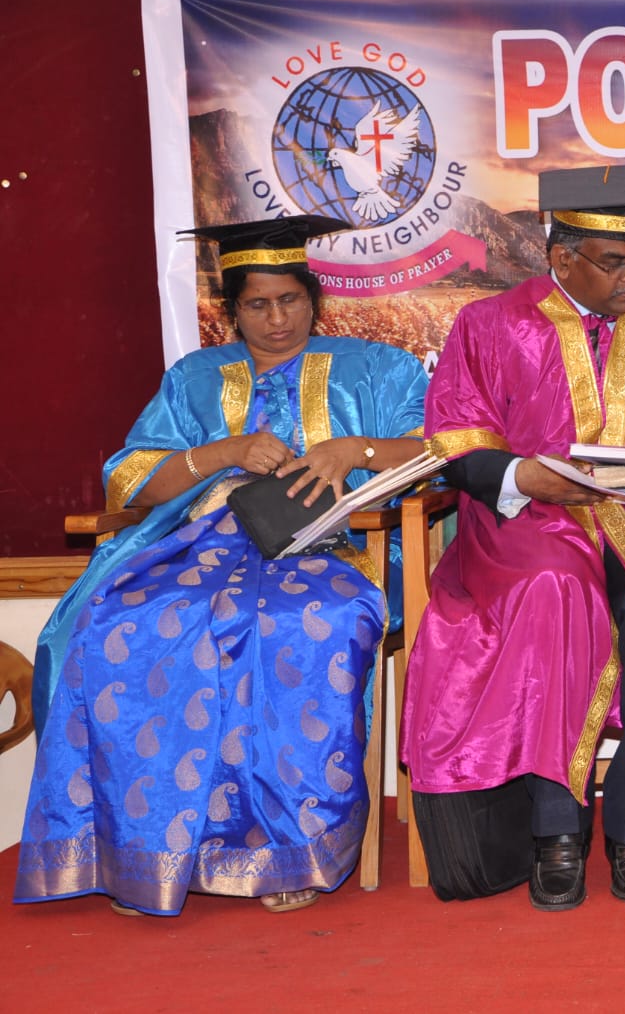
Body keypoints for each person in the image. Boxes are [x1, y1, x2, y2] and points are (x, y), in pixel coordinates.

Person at [16, 216, 430, 916]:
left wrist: (353, 450)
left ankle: (288, 850)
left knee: (294, 628)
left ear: (314, 299)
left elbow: (437, 449)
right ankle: (142, 852)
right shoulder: (195, 378)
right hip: (197, 550)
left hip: (334, 553)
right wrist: (223, 453)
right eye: (257, 305)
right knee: (128, 624)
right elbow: (132, 480)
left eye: (290, 300)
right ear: (231, 311)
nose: (277, 319)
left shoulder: (378, 369)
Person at [402, 165, 625, 911]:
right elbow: (457, 445)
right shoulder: (489, 324)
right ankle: (556, 831)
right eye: (616, 262)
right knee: (555, 591)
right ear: (562, 258)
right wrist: (523, 475)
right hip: (532, 520)